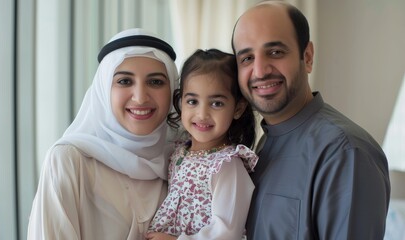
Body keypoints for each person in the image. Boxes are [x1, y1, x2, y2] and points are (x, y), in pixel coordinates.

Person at [231, 1, 390, 239]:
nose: (260, 70)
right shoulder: (262, 145)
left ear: (307, 56)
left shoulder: (346, 153)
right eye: (247, 58)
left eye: (275, 52)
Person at [27, 28, 179, 240]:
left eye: (156, 82)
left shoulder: (181, 160)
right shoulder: (69, 160)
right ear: (103, 90)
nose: (140, 97)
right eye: (124, 81)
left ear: (173, 91)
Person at [145, 49, 259, 240]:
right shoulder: (178, 153)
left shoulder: (227, 164)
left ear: (237, 108)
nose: (202, 114)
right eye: (192, 101)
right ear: (181, 102)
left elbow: (227, 231)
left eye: (216, 104)